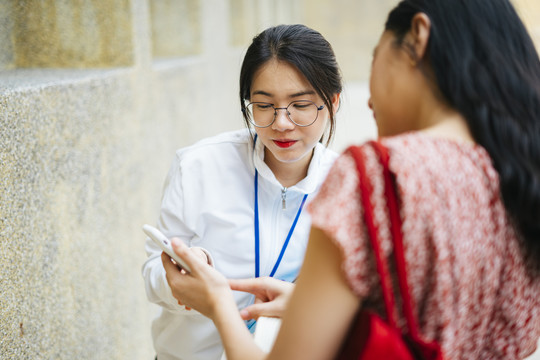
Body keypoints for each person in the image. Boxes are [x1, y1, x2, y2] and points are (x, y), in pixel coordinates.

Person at [161, 0, 540, 359]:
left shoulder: (376, 174)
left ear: (417, 39)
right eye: (264, 104)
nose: (371, 101)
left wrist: (219, 304)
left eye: (375, 57)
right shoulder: (519, 175)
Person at [141, 24, 342, 360]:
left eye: (300, 105)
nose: (281, 123)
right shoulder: (198, 166)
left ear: (332, 102)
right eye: (264, 105)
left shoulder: (347, 186)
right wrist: (182, 281)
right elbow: (152, 273)